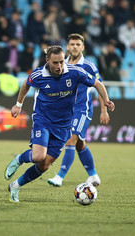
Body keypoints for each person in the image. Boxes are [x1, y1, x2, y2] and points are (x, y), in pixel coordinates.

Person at [4, 45, 115, 203]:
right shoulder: (38, 74)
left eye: (62, 62)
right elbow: (25, 85)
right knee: (38, 156)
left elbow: (98, 84)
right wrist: (18, 104)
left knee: (44, 165)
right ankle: (19, 159)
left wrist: (106, 100)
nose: (59, 66)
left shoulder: (75, 72)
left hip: (63, 125)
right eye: (55, 63)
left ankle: (16, 185)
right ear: (47, 60)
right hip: (43, 119)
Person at [47, 33, 110, 187]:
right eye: (72, 44)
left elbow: (100, 87)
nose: (75, 47)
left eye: (78, 44)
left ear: (83, 47)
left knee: (70, 139)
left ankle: (60, 176)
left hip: (82, 110)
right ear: (67, 47)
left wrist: (104, 110)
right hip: (66, 111)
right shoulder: (62, 64)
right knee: (79, 143)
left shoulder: (89, 66)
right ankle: (94, 175)